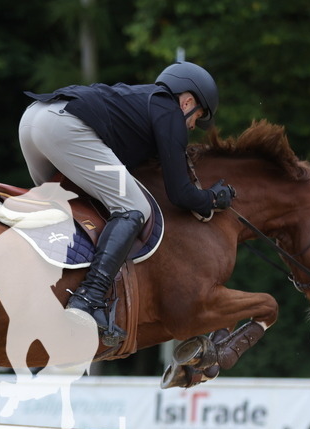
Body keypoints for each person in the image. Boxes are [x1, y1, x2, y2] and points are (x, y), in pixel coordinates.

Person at [18, 61, 234, 346]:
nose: (194, 126)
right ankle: (88, 299)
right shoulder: (170, 113)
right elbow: (180, 194)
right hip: (64, 127)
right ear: (187, 101)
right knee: (135, 209)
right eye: (198, 116)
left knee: (74, 210)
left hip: (33, 120)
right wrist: (212, 198)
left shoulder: (143, 104)